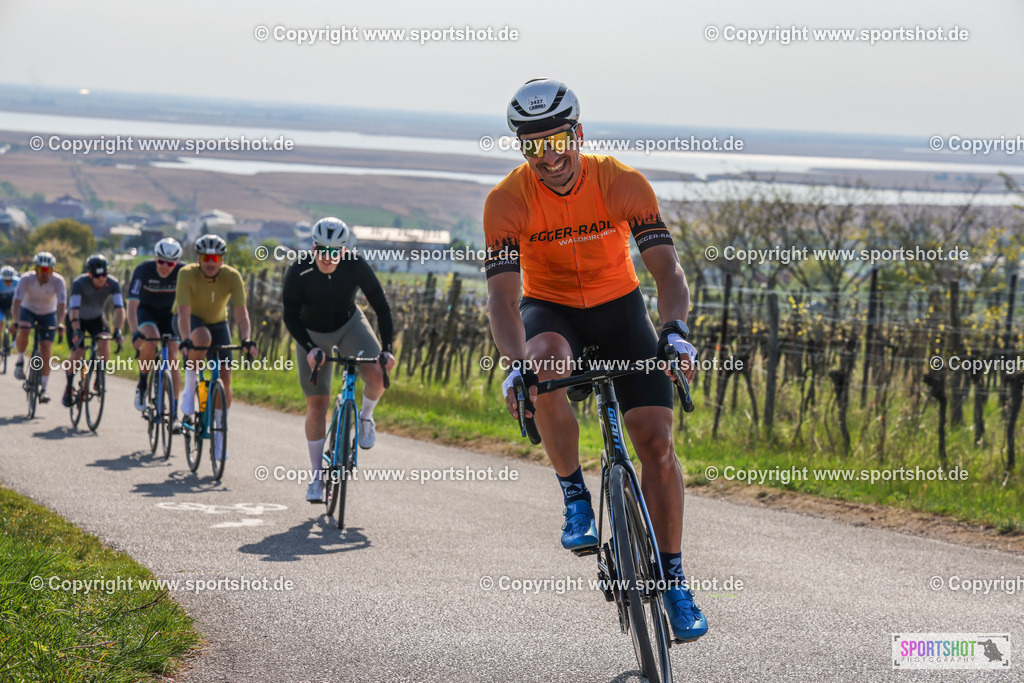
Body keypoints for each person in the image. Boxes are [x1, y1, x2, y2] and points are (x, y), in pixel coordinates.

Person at [484, 78, 707, 642]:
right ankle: (575, 497)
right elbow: (503, 300)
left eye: (558, 141)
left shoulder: (621, 182)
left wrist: (675, 331)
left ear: (578, 134)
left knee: (656, 443)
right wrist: (515, 362)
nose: (548, 157)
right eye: (533, 146)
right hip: (551, 311)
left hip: (620, 310)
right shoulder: (506, 201)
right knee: (544, 362)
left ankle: (674, 580)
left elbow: (668, 272)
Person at [282, 217, 395, 503]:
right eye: (322, 250)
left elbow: (382, 307)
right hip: (311, 334)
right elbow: (290, 316)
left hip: (349, 325)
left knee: (377, 375)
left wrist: (387, 349)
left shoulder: (355, 265)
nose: (327, 257)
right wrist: (310, 348)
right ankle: (316, 477)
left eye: (335, 251)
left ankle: (365, 417)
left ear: (344, 250)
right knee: (316, 406)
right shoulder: (299, 270)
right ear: (313, 247)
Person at [174, 234, 257, 463]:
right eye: (206, 258)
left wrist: (247, 339)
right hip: (189, 321)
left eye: (215, 258)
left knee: (226, 377)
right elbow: (183, 312)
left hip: (218, 323)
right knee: (202, 337)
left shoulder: (232, 276)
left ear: (222, 259)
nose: (211, 263)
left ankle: (220, 435)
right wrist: (185, 339)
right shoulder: (186, 274)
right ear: (198, 259)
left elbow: (241, 312)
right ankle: (189, 390)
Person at [127, 238, 184, 424]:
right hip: (146, 312)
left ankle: (174, 411)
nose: (165, 267)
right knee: (151, 340)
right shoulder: (143, 270)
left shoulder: (183, 272)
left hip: (170, 315)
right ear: (155, 257)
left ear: (177, 263)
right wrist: (135, 332)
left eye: (170, 263)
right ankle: (143, 384)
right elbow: (132, 305)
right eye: (161, 261)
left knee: (173, 356)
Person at [63, 254, 125, 407]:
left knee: (104, 341)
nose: (101, 278)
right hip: (76, 318)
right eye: (97, 275)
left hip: (96, 318)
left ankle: (99, 377)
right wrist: (77, 330)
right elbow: (74, 309)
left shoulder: (113, 283)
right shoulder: (79, 283)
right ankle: (69, 385)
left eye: (104, 274)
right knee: (78, 352)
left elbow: (119, 309)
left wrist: (118, 330)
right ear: (89, 274)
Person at [12, 252, 67, 402]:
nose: (44, 273)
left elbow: (62, 305)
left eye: (47, 270)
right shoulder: (26, 279)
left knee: (46, 348)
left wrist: (59, 323)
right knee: (24, 329)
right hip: (28, 310)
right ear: (35, 269)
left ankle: (44, 388)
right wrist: (16, 321)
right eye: (41, 269)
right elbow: (17, 302)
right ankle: (20, 360)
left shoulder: (58, 281)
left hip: (48, 313)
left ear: (52, 270)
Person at [0, 265, 19, 341]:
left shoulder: (18, 282)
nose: (8, 283)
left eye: (10, 280)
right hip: (1, 305)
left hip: (14, 305)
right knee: (0, 322)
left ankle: (14, 339)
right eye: (5, 280)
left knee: (17, 321)